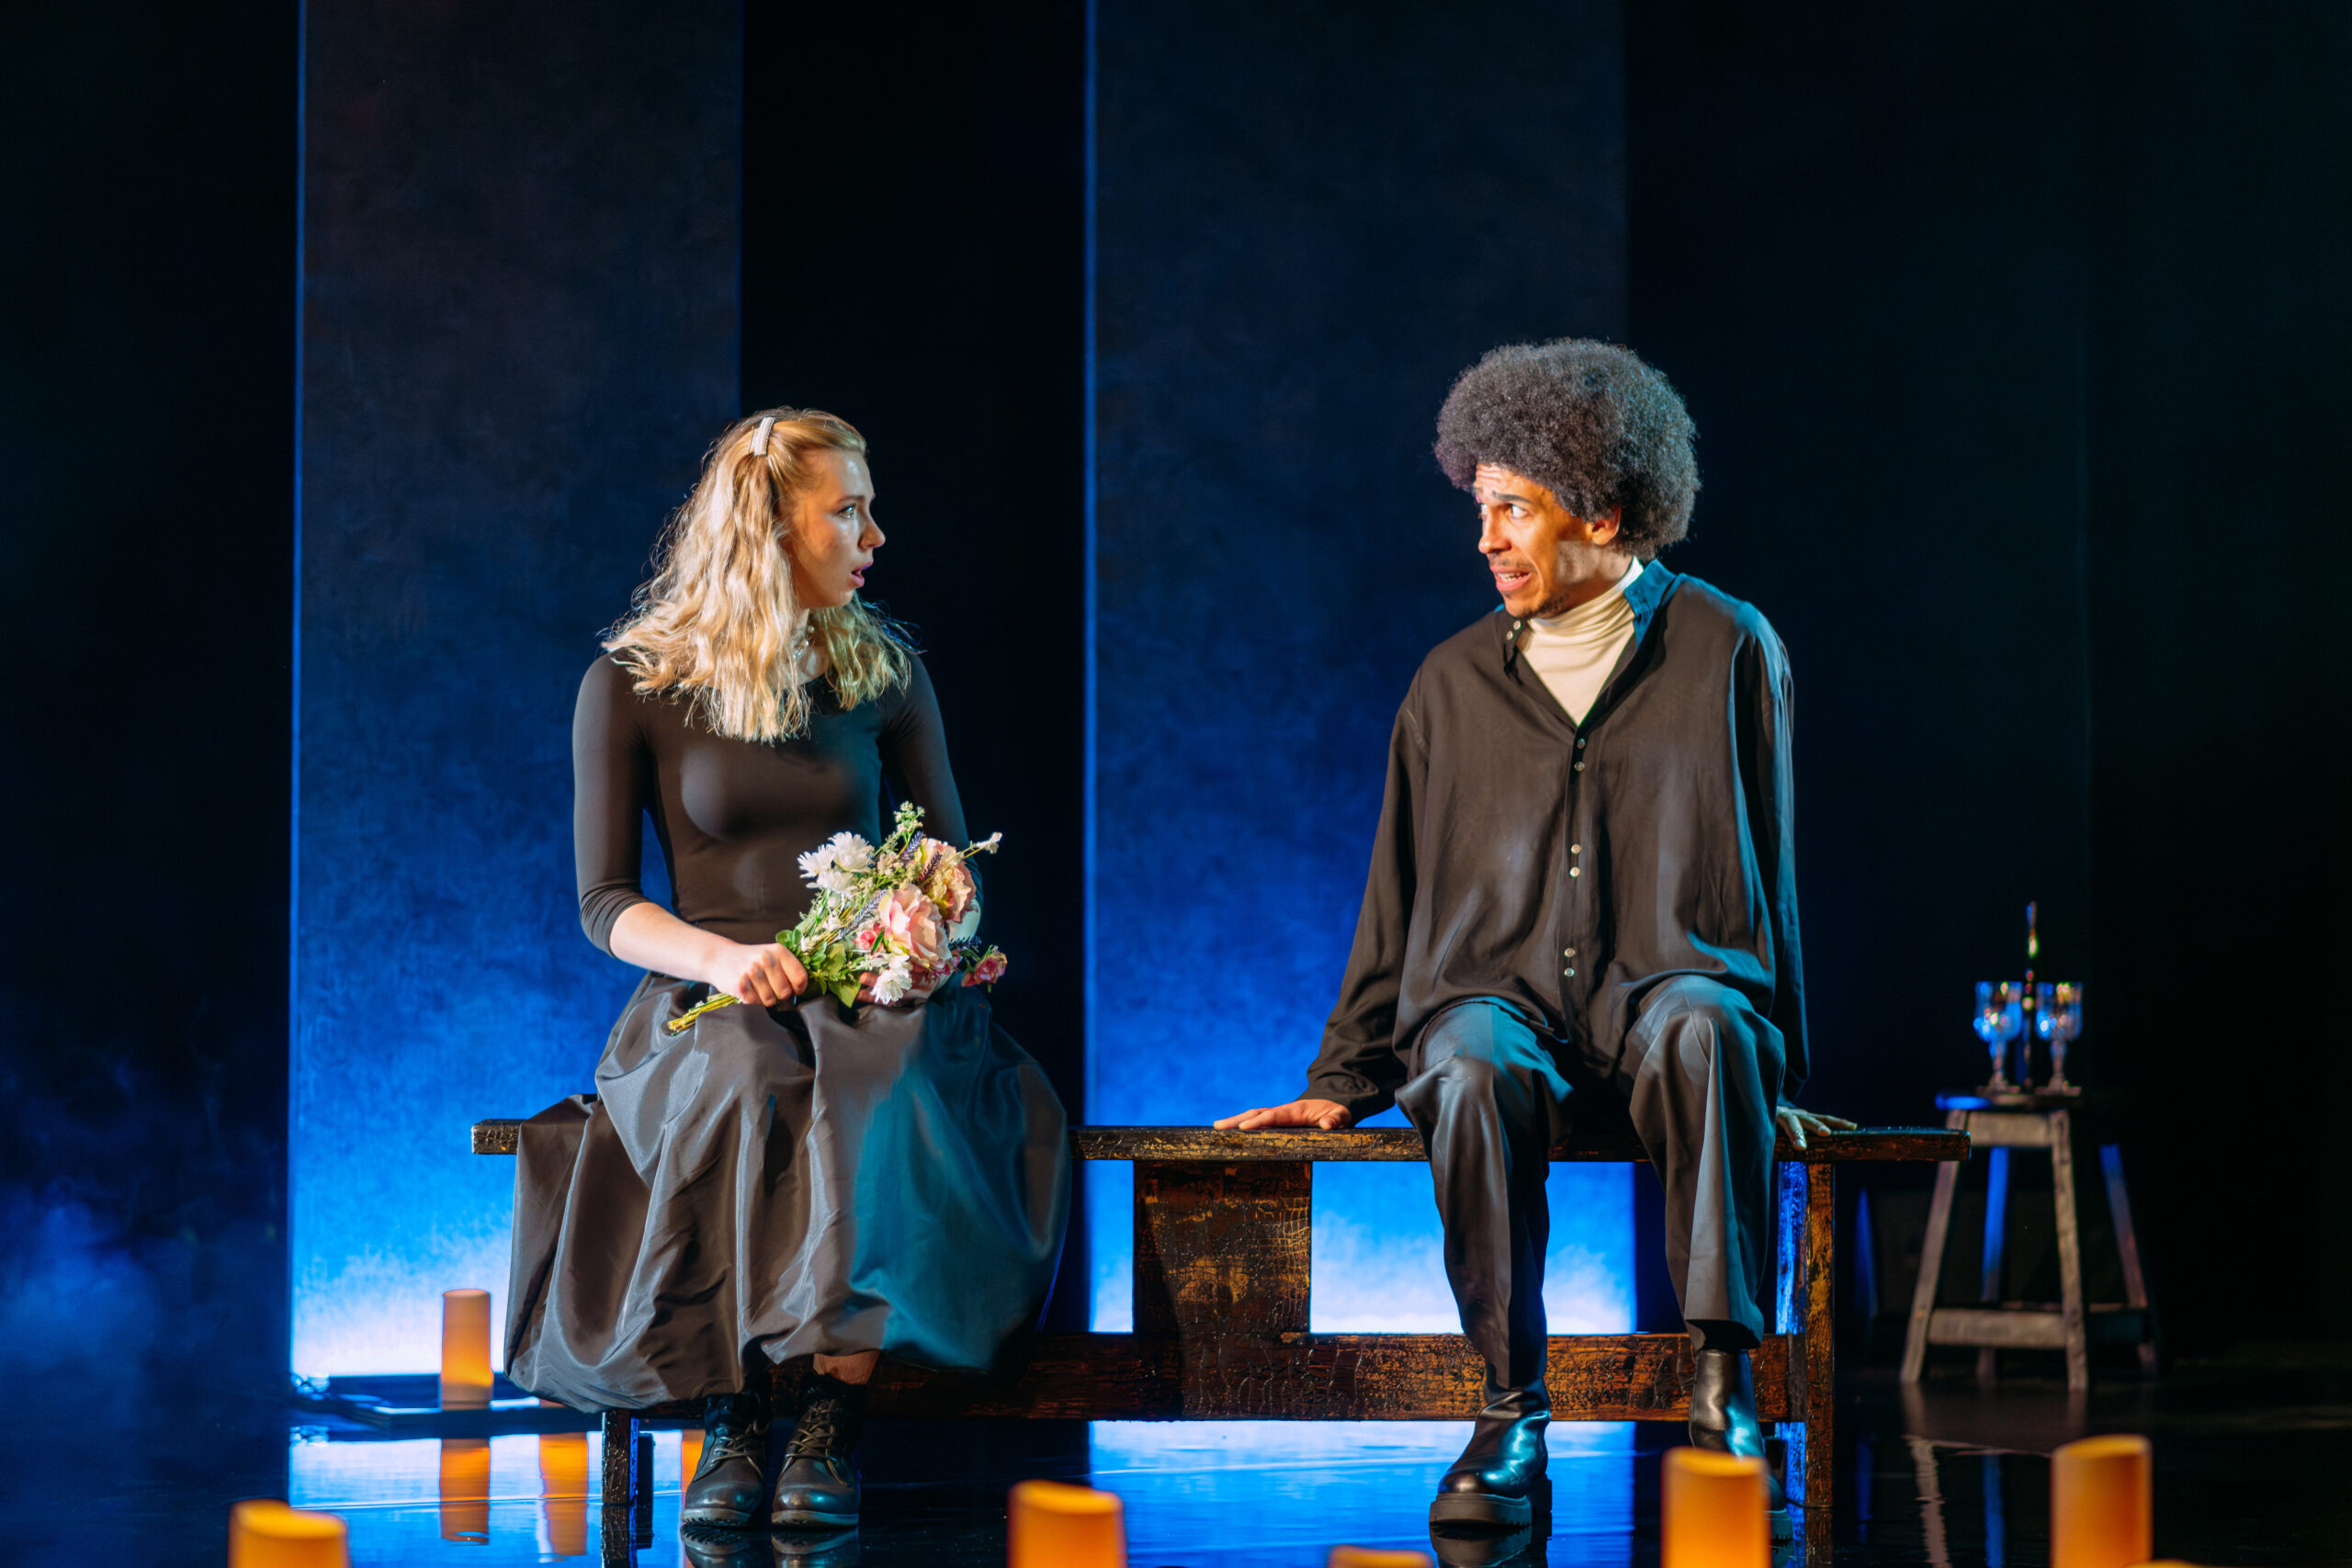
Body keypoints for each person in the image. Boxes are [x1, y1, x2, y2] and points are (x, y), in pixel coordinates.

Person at [1216, 341, 1851, 1535]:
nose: (1487, 536)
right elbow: (1394, 893)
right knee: (1460, 1060)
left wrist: (1778, 1067)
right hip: (1497, 1000)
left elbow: (1773, 874)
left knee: (1713, 1024)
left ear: (1604, 507)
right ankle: (1510, 1407)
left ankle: (1724, 1385)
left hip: (1671, 989)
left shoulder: (1726, 647)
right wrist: (1344, 1077)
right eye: (1481, 504)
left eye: (1513, 505)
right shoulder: (1450, 683)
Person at [503, 409, 1070, 1536]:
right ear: (770, 524)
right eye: (848, 510)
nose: (874, 532)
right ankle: (734, 1411)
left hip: (874, 992)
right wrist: (725, 956)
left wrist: (925, 921)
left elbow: (951, 861)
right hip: (709, 988)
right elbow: (604, 904)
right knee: (740, 1079)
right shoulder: (632, 683)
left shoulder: (884, 672)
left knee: (879, 1080)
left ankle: (827, 1414)